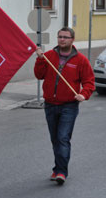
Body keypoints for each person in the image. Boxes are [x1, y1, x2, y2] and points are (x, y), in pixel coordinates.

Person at [34, 27, 95, 185]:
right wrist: (40, 59)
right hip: (50, 105)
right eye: (60, 37)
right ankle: (57, 168)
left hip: (69, 105)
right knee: (55, 139)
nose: (62, 40)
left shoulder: (80, 60)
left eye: (65, 37)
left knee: (62, 138)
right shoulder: (48, 56)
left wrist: (84, 94)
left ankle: (61, 171)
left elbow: (89, 81)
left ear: (72, 40)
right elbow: (39, 75)